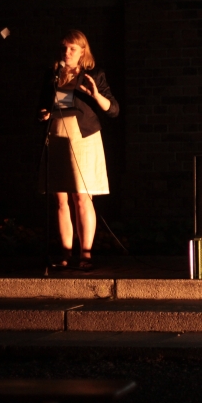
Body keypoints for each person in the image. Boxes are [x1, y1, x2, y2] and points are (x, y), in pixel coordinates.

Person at [38, 30, 119, 270]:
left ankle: (86, 255)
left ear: (83, 51)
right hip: (57, 136)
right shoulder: (54, 75)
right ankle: (65, 254)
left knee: (82, 197)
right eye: (64, 48)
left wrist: (96, 95)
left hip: (83, 138)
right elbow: (43, 106)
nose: (67, 52)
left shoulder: (93, 75)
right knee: (61, 199)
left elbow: (113, 110)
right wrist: (43, 114)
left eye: (73, 48)